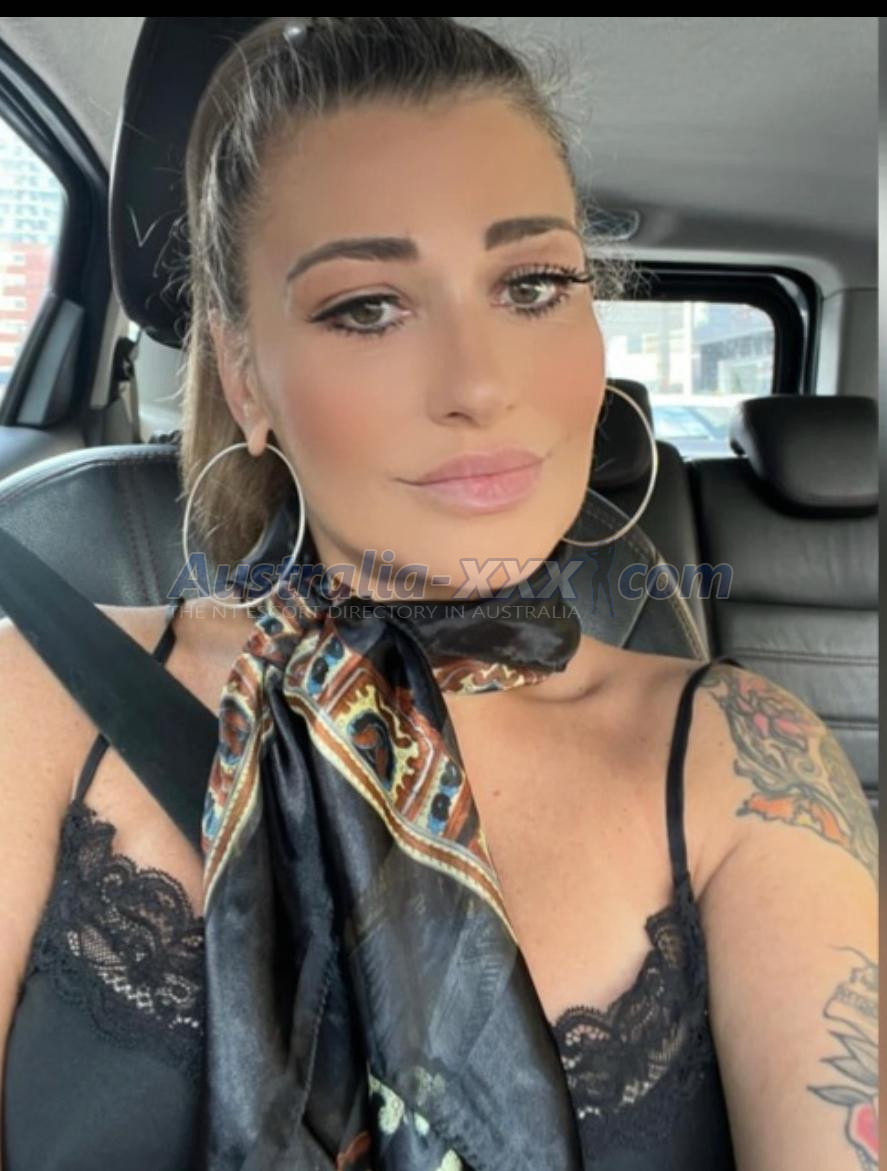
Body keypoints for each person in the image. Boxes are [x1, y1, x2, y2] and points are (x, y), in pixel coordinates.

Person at [0, 17, 878, 1171]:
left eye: (532, 284)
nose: (478, 384)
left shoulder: (749, 762)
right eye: (366, 306)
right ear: (245, 378)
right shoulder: (38, 695)